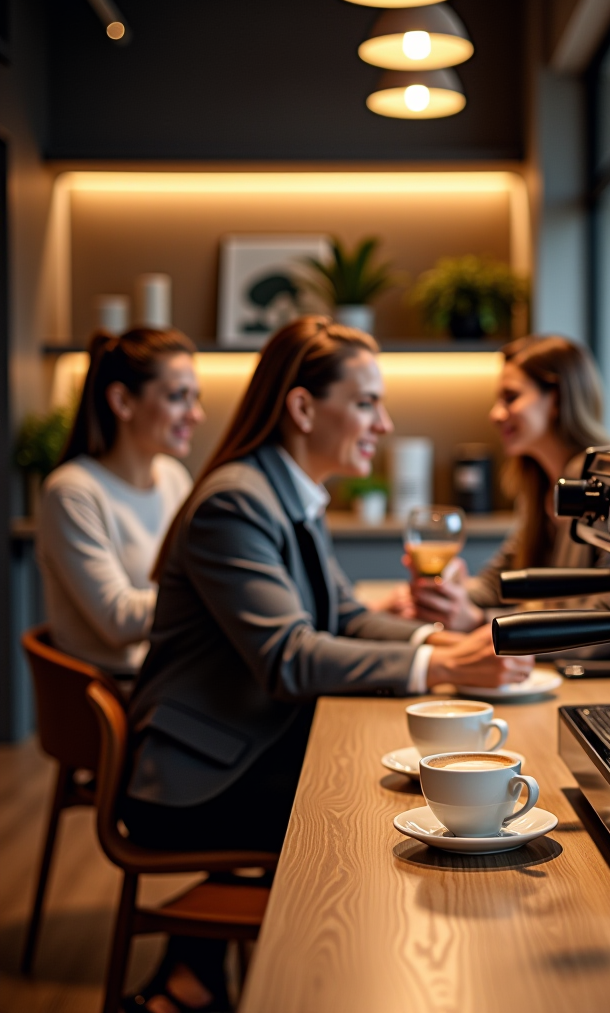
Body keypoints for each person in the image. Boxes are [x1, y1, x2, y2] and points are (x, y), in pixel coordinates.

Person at [121, 317, 531, 1013]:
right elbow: (288, 658)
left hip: (241, 743)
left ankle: (196, 978)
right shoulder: (237, 503)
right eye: (367, 402)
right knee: (366, 814)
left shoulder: (288, 494)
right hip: (194, 777)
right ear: (304, 408)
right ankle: (359, 982)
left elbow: (341, 616)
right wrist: (438, 665)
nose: (384, 422)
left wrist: (435, 647)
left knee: (370, 787)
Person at [406, 335, 610, 662]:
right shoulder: (539, 486)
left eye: (511, 397)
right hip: (568, 675)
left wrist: (482, 620)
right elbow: (497, 583)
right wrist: (451, 596)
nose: (495, 414)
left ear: (557, 400)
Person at [37, 328, 203, 683]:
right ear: (122, 402)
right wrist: (215, 591)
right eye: (179, 397)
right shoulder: (71, 492)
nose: (196, 414)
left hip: (171, 673)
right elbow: (117, 620)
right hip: (115, 692)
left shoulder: (174, 477)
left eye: (195, 398)